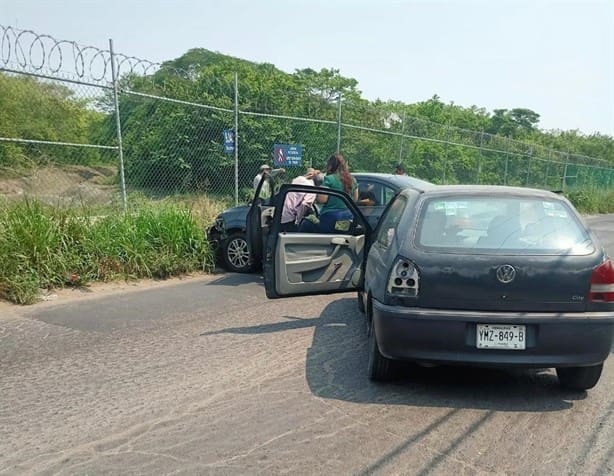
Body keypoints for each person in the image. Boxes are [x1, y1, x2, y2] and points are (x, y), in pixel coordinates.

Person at [317, 153, 358, 233]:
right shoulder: (352, 180)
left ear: (330, 166)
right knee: (341, 236)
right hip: (347, 216)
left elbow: (322, 199)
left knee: (326, 239)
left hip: (330, 218)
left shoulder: (329, 179)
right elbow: (355, 199)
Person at [280, 168, 320, 232]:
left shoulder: (299, 178)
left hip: (279, 213)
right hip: (290, 219)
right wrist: (298, 221)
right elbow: (304, 205)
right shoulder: (312, 190)